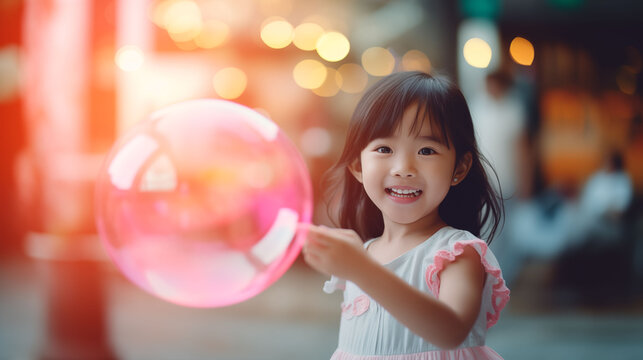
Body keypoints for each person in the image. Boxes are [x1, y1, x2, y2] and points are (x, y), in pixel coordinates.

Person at [301, 71, 510, 359]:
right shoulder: (364, 253)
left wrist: (360, 269)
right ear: (357, 166)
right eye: (384, 148)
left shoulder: (457, 253)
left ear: (459, 168)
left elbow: (451, 331)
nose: (403, 167)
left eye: (426, 150)